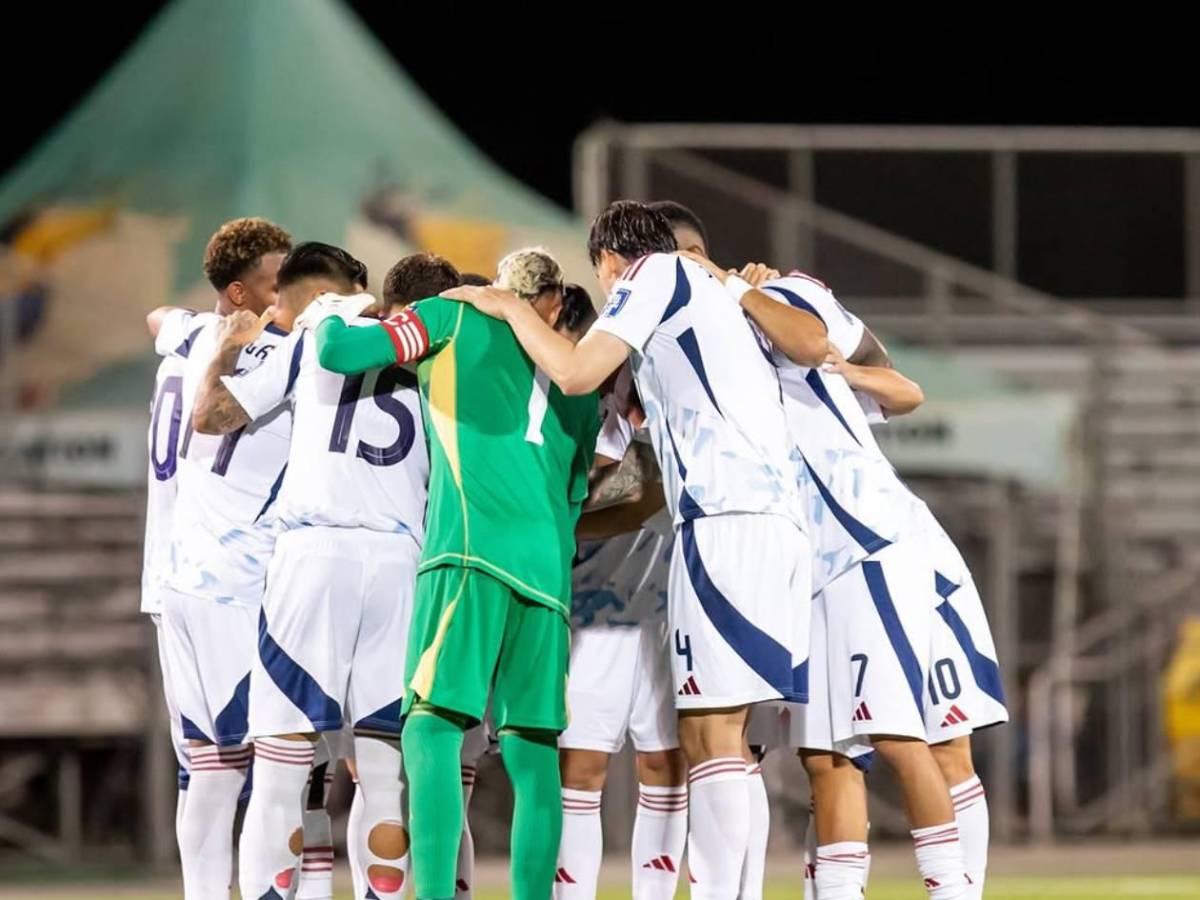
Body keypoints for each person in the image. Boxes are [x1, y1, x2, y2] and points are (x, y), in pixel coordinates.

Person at [444, 202, 826, 899]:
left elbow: (575, 373)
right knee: (725, 740)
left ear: (612, 262)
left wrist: (507, 306)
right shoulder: (716, 298)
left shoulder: (653, 274)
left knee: (709, 739)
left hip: (725, 520)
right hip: (772, 522)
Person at [313, 248, 600, 900]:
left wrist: (333, 311)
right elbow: (579, 493)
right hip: (547, 576)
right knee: (533, 754)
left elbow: (338, 353)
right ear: (553, 301)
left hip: (468, 550)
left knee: (431, 725)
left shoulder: (451, 317)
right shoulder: (577, 378)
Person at [145, 216, 292, 900]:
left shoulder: (183, 335)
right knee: (273, 763)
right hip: (232, 581)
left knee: (205, 765)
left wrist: (202, 324)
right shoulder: (265, 354)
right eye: (274, 284)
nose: (285, 297)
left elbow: (158, 317)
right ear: (239, 294)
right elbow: (211, 414)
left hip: (173, 575)